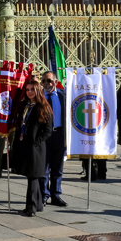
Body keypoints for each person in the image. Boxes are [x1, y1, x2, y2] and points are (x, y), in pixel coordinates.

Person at [9, 80, 53, 217]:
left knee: (33, 177)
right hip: (24, 145)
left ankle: (31, 207)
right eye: (27, 89)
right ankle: (38, 204)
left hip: (36, 148)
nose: (29, 92)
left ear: (38, 90)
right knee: (31, 175)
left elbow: (48, 130)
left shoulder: (43, 107)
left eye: (32, 89)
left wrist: (36, 141)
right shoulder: (24, 105)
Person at [39, 72, 68, 207]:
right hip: (44, 136)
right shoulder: (39, 97)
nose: (46, 84)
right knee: (44, 167)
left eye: (49, 81)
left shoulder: (64, 96)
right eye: (43, 81)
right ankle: (44, 195)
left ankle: (56, 195)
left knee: (57, 167)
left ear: (55, 82)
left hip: (59, 134)